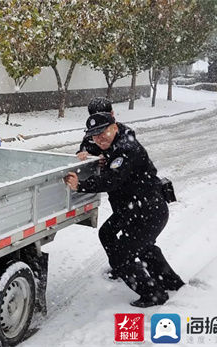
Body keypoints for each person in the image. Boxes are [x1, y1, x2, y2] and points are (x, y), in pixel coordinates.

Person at [64, 103, 184, 307]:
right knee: (108, 234)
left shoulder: (126, 149)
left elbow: (111, 180)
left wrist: (80, 185)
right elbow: (91, 145)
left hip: (149, 211)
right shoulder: (111, 142)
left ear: (115, 127)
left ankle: (153, 294)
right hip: (131, 209)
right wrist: (85, 151)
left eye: (103, 133)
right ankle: (170, 282)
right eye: (95, 135)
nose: (99, 139)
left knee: (124, 255)